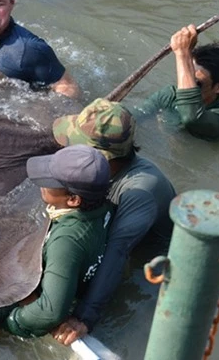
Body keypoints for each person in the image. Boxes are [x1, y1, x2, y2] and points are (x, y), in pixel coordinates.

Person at [49, 98, 177, 346]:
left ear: (103, 157)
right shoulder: (102, 172)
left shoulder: (140, 191)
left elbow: (117, 252)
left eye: (77, 146)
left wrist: (84, 317)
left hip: (152, 260)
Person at [5, 145, 113, 338]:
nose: (42, 184)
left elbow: (51, 312)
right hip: (76, 274)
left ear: (73, 200)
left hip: (46, 297)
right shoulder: (105, 205)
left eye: (49, 182)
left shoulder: (66, 241)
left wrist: (15, 320)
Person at [139, 24, 219, 141]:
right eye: (186, 75)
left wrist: (183, 54)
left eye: (196, 82)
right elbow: (135, 117)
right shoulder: (170, 96)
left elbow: (192, 118)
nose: (186, 85)